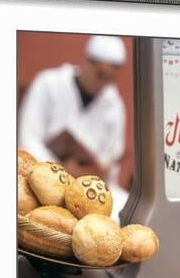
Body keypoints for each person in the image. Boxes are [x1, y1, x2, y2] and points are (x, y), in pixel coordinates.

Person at [18, 36, 128, 215]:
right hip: (44, 176)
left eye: (109, 79)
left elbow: (111, 160)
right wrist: (61, 168)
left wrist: (89, 171)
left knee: (125, 207)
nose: (102, 83)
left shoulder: (114, 105)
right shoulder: (49, 83)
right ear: (88, 62)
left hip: (87, 189)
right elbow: (28, 138)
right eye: (100, 74)